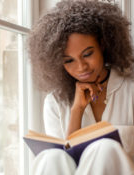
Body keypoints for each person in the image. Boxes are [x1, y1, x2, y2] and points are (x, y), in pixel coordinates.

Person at [28, 0, 134, 174]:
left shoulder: (130, 90)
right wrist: (76, 110)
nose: (81, 67)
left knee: (105, 148)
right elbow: (64, 164)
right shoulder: (55, 102)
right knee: (51, 157)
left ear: (103, 45)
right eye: (69, 60)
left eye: (88, 54)